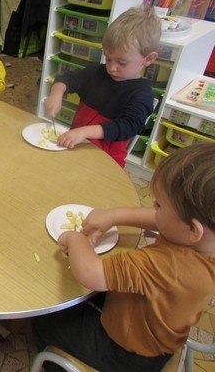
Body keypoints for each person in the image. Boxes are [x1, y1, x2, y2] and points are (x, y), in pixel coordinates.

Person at [32, 143, 215, 372]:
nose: (153, 209)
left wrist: (74, 238)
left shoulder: (172, 266)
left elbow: (91, 274)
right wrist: (115, 215)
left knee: (47, 314)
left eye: (158, 205)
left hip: (125, 354)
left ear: (193, 230)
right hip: (156, 332)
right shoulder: (200, 239)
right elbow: (161, 219)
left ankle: (55, 362)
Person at [44, 6, 161, 167]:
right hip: (75, 149)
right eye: (108, 58)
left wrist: (84, 131)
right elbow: (67, 78)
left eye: (122, 62)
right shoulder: (98, 74)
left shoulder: (141, 93)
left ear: (148, 59)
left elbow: (129, 125)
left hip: (107, 163)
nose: (112, 67)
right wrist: (56, 93)